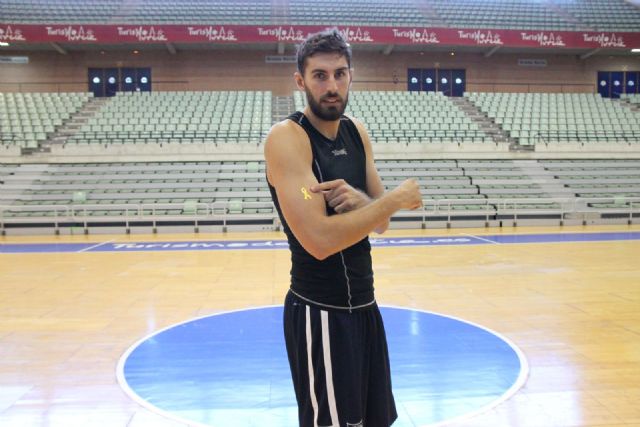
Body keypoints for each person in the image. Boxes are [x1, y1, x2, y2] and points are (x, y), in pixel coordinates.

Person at [264, 29, 422, 427]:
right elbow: (319, 241)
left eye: (340, 74)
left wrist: (367, 202)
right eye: (319, 75)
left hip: (365, 307)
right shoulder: (287, 138)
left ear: (351, 76)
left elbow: (380, 223)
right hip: (320, 312)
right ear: (300, 81)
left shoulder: (356, 132)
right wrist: (392, 200)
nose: (331, 86)